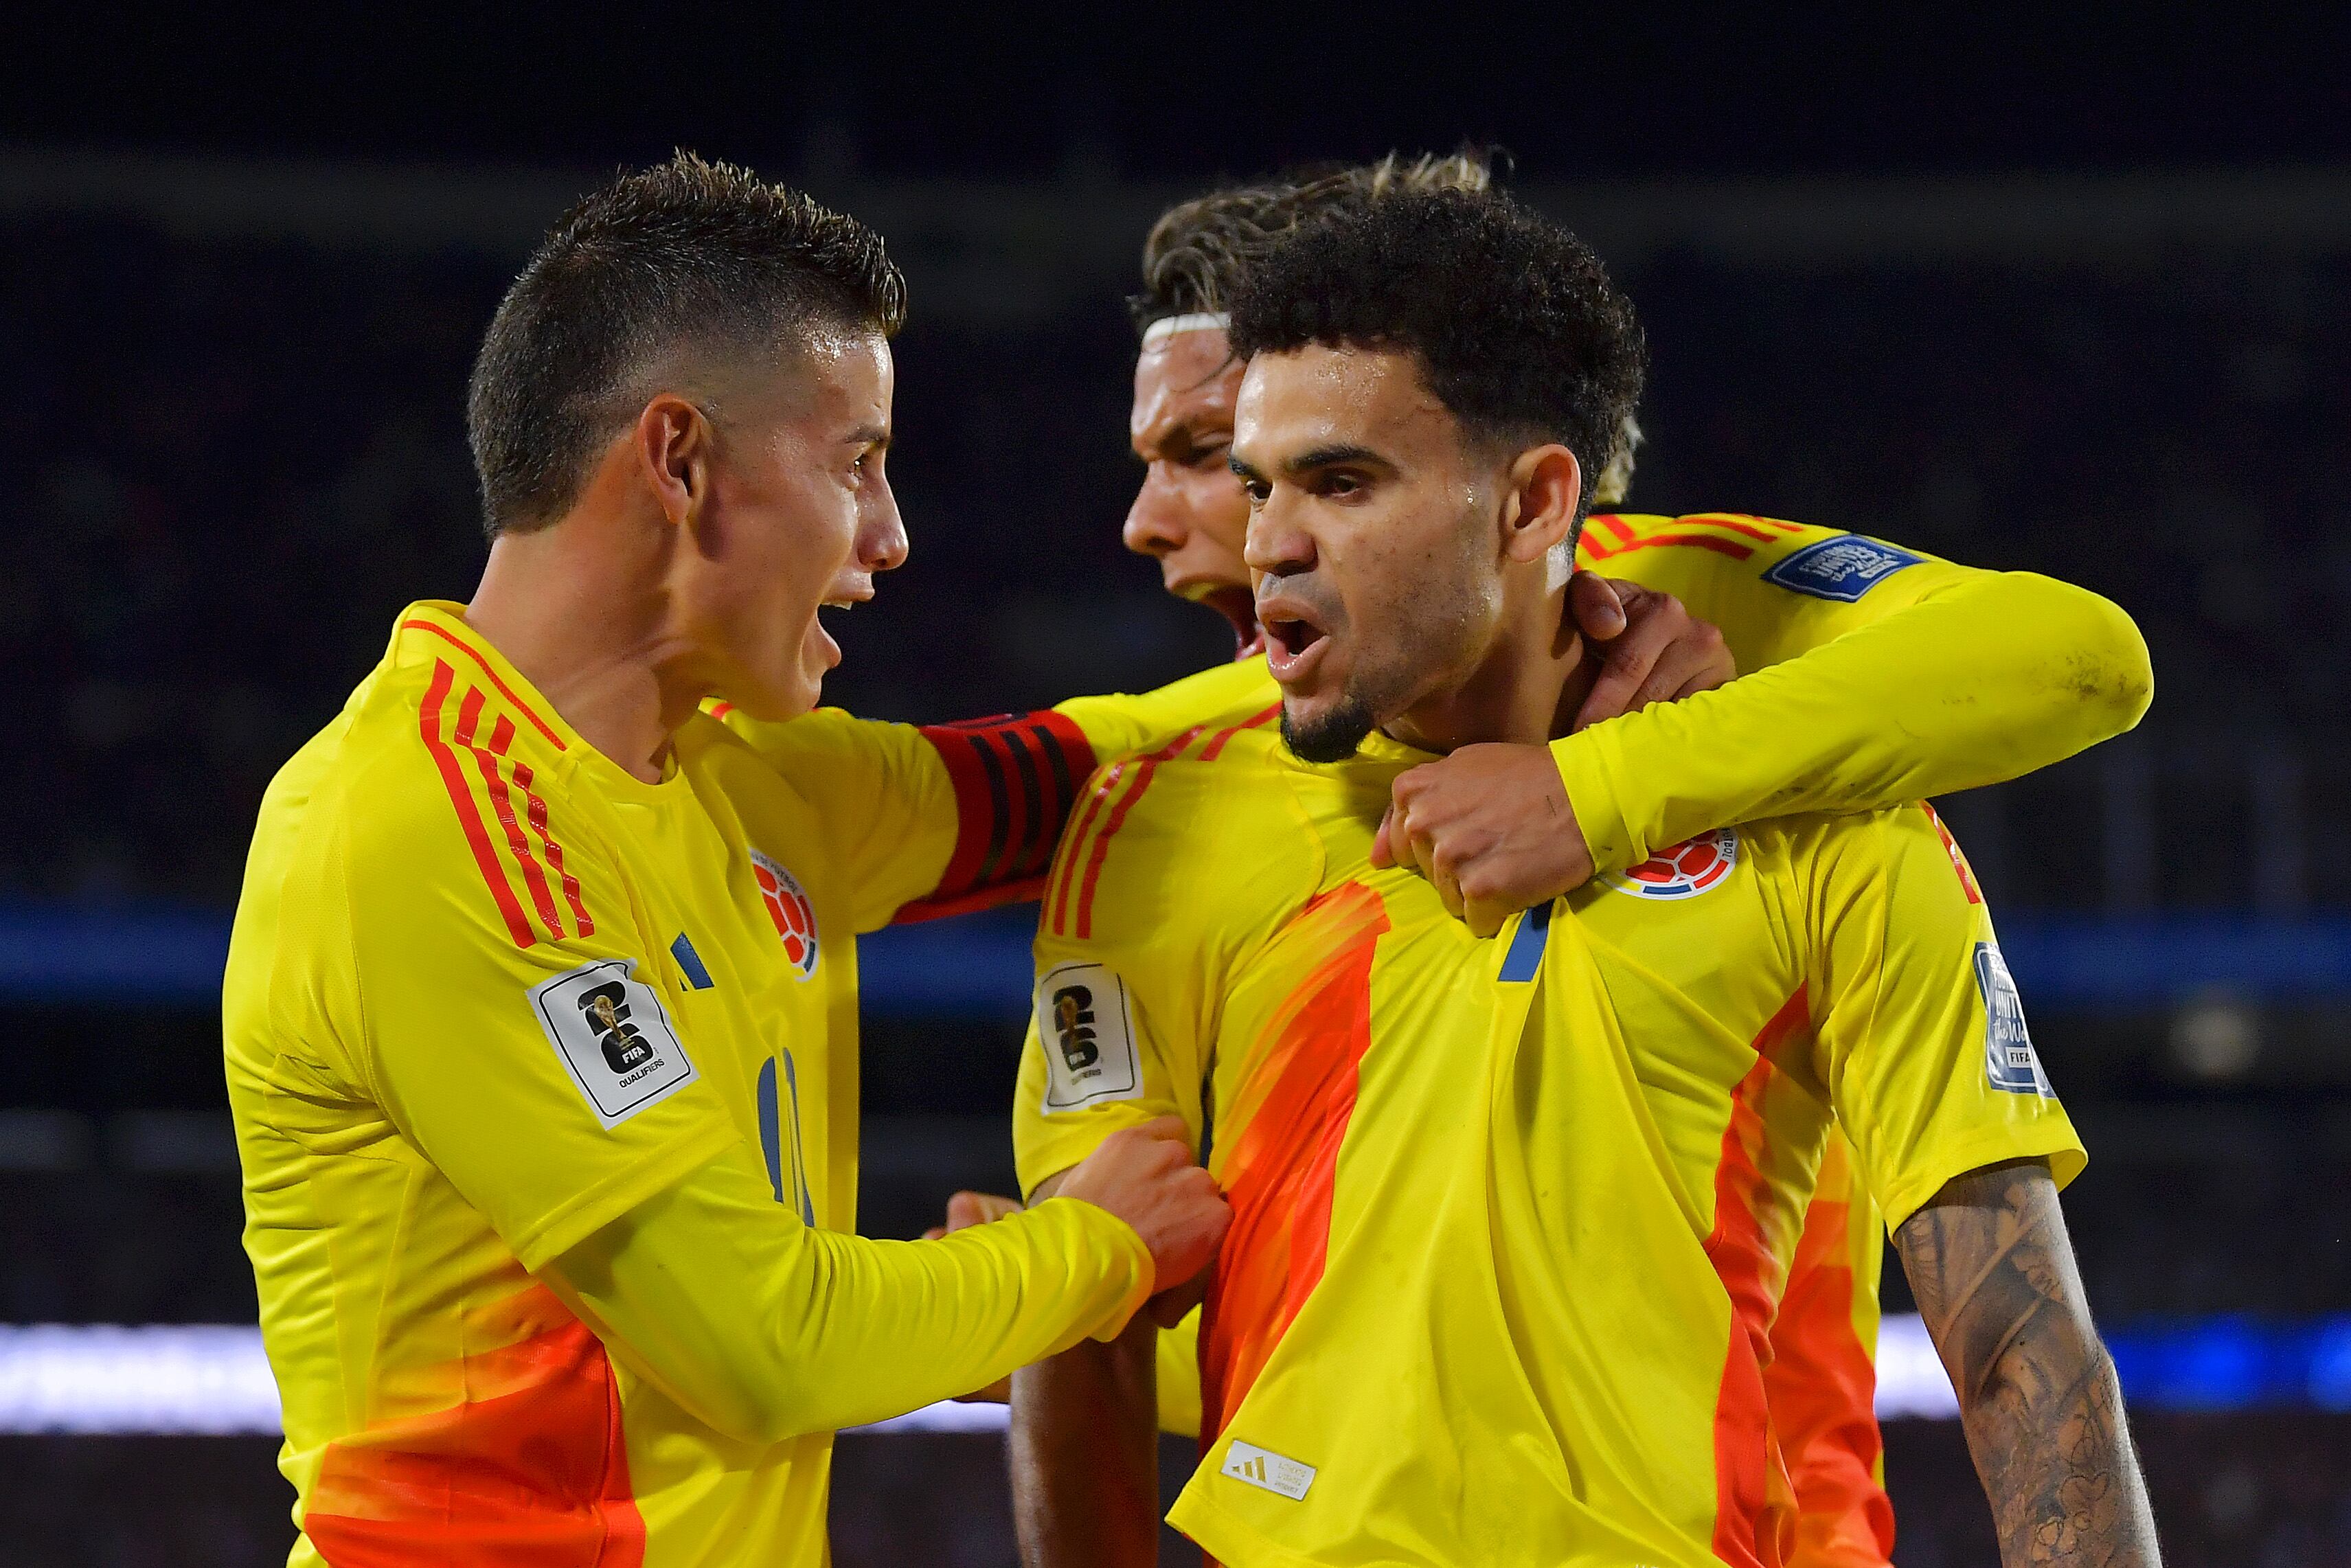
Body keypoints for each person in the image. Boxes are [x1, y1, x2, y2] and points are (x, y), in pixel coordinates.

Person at [907, 151, 2145, 1568]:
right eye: (1250, 481)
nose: (1262, 542)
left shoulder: (1824, 818)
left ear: (1534, 501)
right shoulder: (1163, 819)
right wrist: (986, 1302)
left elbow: (2023, 1352)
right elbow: (1133, 1318)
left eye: (1337, 480)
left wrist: (1593, 790)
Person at [222, 154, 1239, 1567]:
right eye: (856, 463)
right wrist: (1096, 1245)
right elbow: (765, 1344)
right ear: (680, 461)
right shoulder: (420, 828)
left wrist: (1517, 651)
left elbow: (1103, 765)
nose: (890, 536)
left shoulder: (740, 775)